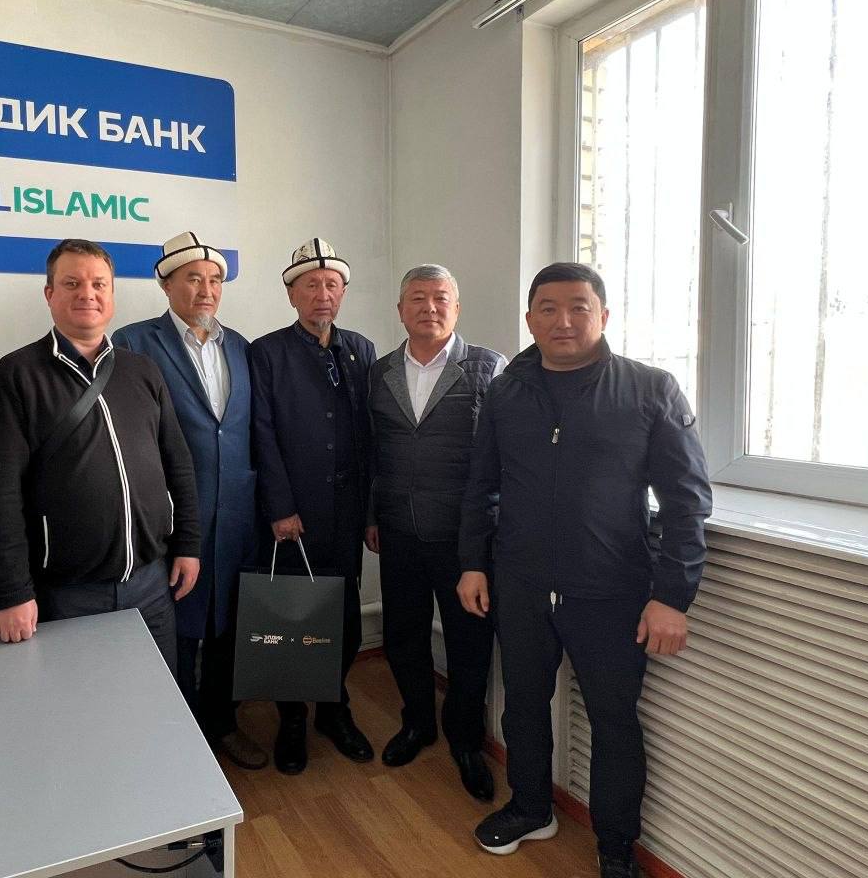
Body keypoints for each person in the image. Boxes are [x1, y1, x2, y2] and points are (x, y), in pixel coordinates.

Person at [458, 262, 712, 878]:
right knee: (522, 706)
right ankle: (531, 808)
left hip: (611, 591)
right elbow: (481, 485)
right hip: (519, 583)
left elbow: (686, 502)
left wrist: (672, 596)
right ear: (530, 320)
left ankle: (616, 848)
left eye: (578, 307)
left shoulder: (650, 389)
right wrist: (472, 564)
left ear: (603, 315)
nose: (563, 321)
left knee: (613, 721)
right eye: (548, 309)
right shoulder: (507, 392)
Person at [0, 238, 202, 676]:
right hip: (67, 595)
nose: (88, 294)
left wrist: (188, 545)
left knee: (155, 700)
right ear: (49, 293)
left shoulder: (142, 371)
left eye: (99, 284)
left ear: (112, 294)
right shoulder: (16, 376)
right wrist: (11, 591)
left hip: (151, 586)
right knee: (81, 705)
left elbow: (178, 464)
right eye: (72, 283)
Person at [112, 232, 266, 769]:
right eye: (194, 278)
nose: (207, 289)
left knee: (228, 627)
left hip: (237, 515)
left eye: (215, 279)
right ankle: (176, 739)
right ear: (166, 284)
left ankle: (223, 723)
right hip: (173, 519)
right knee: (175, 630)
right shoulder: (135, 342)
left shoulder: (241, 346)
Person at [366, 264, 504, 800]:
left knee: (469, 643)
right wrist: (372, 516)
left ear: (457, 307)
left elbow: (503, 462)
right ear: (400, 310)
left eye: (441, 297)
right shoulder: (379, 372)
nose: (429, 307)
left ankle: (465, 740)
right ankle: (418, 722)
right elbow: (372, 451)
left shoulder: (489, 368)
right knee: (403, 634)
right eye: (418, 298)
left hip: (464, 538)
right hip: (398, 530)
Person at [248, 238, 376, 775]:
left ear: (342, 292)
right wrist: (280, 507)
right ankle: (292, 717)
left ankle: (333, 708)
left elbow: (371, 436)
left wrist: (370, 513)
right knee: (293, 613)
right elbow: (261, 433)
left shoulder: (361, 349)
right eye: (311, 285)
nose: (323, 294)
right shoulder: (267, 353)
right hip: (293, 514)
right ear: (291, 294)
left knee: (343, 613)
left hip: (347, 510)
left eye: (332, 285)